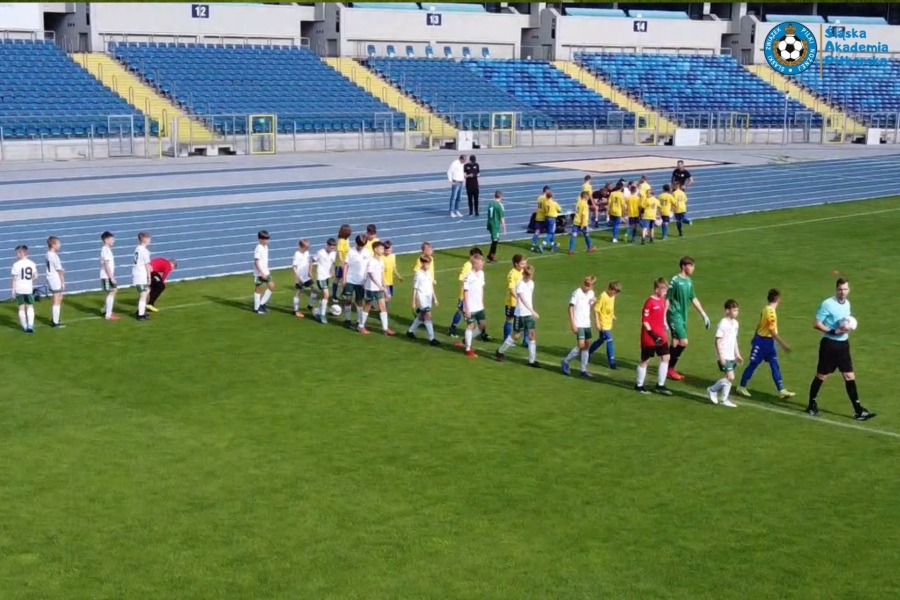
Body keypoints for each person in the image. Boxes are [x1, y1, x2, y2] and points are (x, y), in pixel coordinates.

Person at [807, 278, 875, 420]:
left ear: (848, 290)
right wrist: (832, 331)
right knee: (822, 376)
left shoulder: (847, 304)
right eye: (840, 289)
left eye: (845, 289)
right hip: (829, 345)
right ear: (836, 289)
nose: (842, 292)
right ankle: (811, 404)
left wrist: (847, 327)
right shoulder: (827, 304)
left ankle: (858, 411)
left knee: (849, 376)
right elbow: (816, 323)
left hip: (843, 346)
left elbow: (845, 323)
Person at [736, 289, 795, 399]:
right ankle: (741, 386)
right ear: (778, 299)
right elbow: (772, 331)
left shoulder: (766, 309)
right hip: (762, 342)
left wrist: (754, 336)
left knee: (774, 364)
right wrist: (784, 345)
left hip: (768, 342)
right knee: (753, 364)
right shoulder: (771, 312)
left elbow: (759, 324)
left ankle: (781, 389)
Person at [666, 256, 710, 381]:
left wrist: (703, 314)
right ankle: (670, 369)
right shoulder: (674, 281)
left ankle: (666, 365)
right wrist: (664, 318)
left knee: (675, 342)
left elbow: (693, 298)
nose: (693, 268)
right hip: (674, 315)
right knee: (684, 342)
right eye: (691, 266)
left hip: (683, 316)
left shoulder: (689, 282)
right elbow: (667, 299)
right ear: (684, 266)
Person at [496, 264, 539, 367]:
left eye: (531, 275)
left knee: (532, 334)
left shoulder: (531, 283)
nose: (530, 277)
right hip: (520, 314)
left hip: (529, 314)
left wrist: (531, 312)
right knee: (516, 336)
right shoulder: (520, 284)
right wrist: (533, 311)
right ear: (524, 274)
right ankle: (500, 351)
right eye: (528, 275)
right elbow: (523, 300)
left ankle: (532, 360)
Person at [636, 277, 673, 395]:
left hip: (661, 335)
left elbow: (662, 315)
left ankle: (660, 385)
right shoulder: (649, 302)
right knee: (645, 360)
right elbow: (645, 320)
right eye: (664, 290)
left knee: (666, 357)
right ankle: (639, 385)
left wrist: (665, 325)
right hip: (649, 336)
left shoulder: (662, 300)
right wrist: (652, 334)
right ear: (657, 289)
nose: (665, 292)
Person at [707, 299, 743, 407]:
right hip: (724, 355)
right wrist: (721, 356)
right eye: (735, 310)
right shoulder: (723, 323)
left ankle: (724, 400)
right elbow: (717, 341)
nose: (737, 313)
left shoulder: (736, 324)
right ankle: (712, 389)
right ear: (727, 311)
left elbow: (734, 340)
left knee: (728, 377)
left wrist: (738, 354)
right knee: (730, 377)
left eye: (737, 310)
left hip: (731, 355)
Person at [561, 275, 596, 378]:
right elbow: (570, 308)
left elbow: (590, 309)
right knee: (581, 345)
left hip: (586, 323)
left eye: (589, 286)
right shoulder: (577, 293)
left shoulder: (591, 294)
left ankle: (583, 370)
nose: (587, 287)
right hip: (578, 323)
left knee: (586, 345)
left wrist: (594, 303)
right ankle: (565, 361)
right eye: (586, 285)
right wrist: (573, 323)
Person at [360, 241, 394, 336]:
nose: (383, 250)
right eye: (381, 249)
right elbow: (371, 275)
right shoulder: (371, 261)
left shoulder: (381, 261)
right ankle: (361, 325)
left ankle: (385, 328)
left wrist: (385, 288)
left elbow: (382, 275)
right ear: (375, 249)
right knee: (368, 306)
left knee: (383, 307)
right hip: (370, 288)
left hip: (379, 288)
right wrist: (379, 286)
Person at [447, 247, 482, 338]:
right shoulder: (467, 265)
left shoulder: (476, 267)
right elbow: (462, 278)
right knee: (461, 311)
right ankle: (452, 328)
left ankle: (481, 331)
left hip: (474, 296)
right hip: (465, 295)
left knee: (478, 311)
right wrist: (467, 289)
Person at [407, 255, 440, 346]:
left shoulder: (428, 273)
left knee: (421, 316)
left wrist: (435, 297)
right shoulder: (418, 274)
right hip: (421, 298)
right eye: (426, 264)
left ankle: (410, 331)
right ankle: (432, 338)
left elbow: (431, 286)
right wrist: (413, 301)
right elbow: (415, 288)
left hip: (428, 297)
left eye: (429, 264)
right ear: (422, 263)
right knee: (428, 316)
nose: (428, 266)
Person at [589, 280, 621, 369]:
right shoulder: (603, 296)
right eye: (614, 292)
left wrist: (612, 315)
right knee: (609, 340)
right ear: (610, 289)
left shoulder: (612, 296)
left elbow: (609, 308)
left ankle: (587, 353)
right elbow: (596, 310)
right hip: (603, 323)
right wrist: (597, 322)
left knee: (601, 340)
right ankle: (612, 362)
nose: (614, 295)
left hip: (608, 322)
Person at [461, 253, 487, 358]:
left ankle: (467, 339)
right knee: (470, 326)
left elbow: (481, 289)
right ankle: (468, 348)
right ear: (474, 265)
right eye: (480, 263)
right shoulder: (468, 276)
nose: (482, 265)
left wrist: (482, 301)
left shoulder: (481, 273)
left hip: (479, 305)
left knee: (482, 325)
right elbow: (465, 292)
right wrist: (467, 308)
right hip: (470, 306)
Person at [341, 234, 369, 329]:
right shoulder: (351, 251)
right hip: (350, 279)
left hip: (361, 281)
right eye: (360, 244)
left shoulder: (367, 253)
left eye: (363, 245)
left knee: (359, 301)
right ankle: (347, 319)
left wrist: (365, 280)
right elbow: (346, 265)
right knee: (348, 299)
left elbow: (368, 267)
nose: (361, 247)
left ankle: (358, 320)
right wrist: (344, 279)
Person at [11, 245, 37, 333]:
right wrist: (29, 281)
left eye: (17, 253)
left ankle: (24, 326)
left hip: (19, 289)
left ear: (21, 253)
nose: (16, 255)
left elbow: (14, 279)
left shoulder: (16, 265)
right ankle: (30, 325)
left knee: (21, 307)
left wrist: (13, 290)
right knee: (30, 306)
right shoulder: (32, 263)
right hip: (28, 288)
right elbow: (36, 276)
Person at [312, 238, 338, 323]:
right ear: (327, 245)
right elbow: (312, 261)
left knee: (324, 296)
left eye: (333, 248)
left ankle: (317, 311)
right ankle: (322, 315)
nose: (332, 249)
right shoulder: (320, 253)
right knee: (326, 294)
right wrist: (309, 272)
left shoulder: (333, 254)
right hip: (320, 277)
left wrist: (332, 271)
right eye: (331, 247)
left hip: (326, 277)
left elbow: (333, 263)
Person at [503, 254, 527, 340]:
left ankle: (526, 341)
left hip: (522, 301)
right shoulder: (512, 274)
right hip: (512, 302)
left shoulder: (524, 271)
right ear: (516, 264)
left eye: (525, 264)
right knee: (510, 320)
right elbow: (512, 289)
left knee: (525, 320)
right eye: (522, 264)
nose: (524, 266)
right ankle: (506, 339)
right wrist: (519, 299)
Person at [291, 239, 315, 319]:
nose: (308, 248)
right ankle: (295, 310)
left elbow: (309, 262)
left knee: (314, 289)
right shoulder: (296, 254)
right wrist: (298, 278)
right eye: (306, 247)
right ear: (301, 246)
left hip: (306, 276)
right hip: (300, 277)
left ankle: (310, 306)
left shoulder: (307, 253)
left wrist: (309, 272)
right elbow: (294, 267)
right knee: (298, 292)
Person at [45, 236, 65, 328]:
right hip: (55, 278)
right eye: (58, 243)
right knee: (57, 298)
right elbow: (59, 270)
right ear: (53, 245)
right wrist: (63, 281)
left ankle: (55, 318)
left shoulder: (48, 254)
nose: (60, 245)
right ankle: (55, 322)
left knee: (57, 298)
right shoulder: (54, 256)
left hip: (51, 277)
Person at [253, 230, 274, 315]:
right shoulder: (258, 248)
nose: (267, 240)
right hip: (259, 272)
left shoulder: (266, 247)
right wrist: (261, 272)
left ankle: (261, 304)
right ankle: (257, 307)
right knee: (258, 288)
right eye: (265, 239)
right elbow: (256, 261)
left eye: (267, 238)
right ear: (260, 239)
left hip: (266, 271)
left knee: (271, 286)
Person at [133, 232, 152, 321]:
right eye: (148, 238)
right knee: (143, 294)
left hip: (138, 273)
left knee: (146, 291)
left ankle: (141, 311)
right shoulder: (144, 251)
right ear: (144, 239)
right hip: (140, 275)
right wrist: (149, 277)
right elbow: (146, 265)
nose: (150, 240)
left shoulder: (138, 248)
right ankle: (140, 314)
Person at [486, 190, 506, 263]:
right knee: (495, 240)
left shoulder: (491, 203)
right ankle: (491, 256)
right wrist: (504, 228)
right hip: (495, 224)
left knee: (495, 240)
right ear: (501, 196)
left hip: (490, 223)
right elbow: (502, 218)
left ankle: (490, 255)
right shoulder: (499, 205)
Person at [332, 224, 351, 301]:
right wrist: (342, 263)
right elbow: (339, 252)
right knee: (337, 278)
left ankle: (343, 293)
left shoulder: (347, 239)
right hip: (340, 263)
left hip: (346, 262)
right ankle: (334, 295)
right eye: (349, 231)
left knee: (346, 278)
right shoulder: (341, 241)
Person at [530, 186, 551, 253]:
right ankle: (547, 244)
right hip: (544, 217)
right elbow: (546, 208)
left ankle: (533, 245)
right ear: (547, 191)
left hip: (538, 216)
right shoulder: (546, 199)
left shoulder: (539, 198)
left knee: (537, 231)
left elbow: (539, 207)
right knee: (550, 232)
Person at [381, 240, 401, 308]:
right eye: (386, 248)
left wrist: (398, 276)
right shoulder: (381, 258)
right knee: (387, 296)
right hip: (384, 281)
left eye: (389, 248)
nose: (388, 250)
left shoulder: (393, 256)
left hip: (390, 281)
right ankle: (384, 312)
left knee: (388, 297)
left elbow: (394, 267)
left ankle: (382, 309)